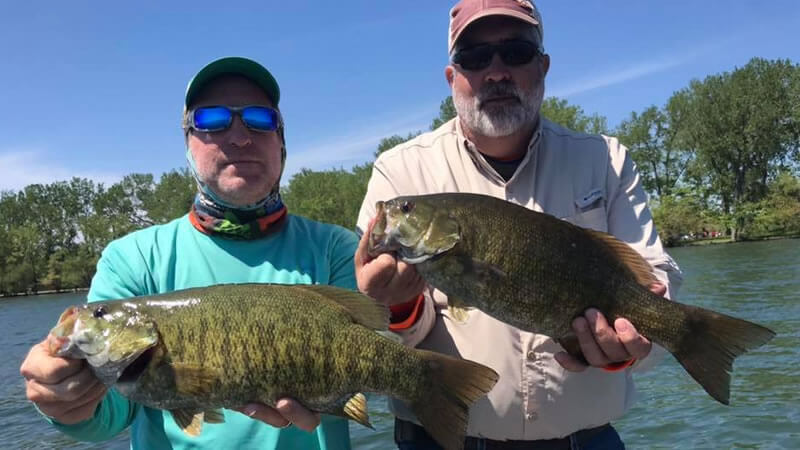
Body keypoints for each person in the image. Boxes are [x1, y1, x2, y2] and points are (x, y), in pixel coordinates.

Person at [354, 1, 683, 448]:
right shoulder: (399, 173)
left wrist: (630, 345)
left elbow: (653, 287)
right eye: (474, 58)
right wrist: (396, 306)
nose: (495, 72)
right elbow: (392, 340)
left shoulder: (605, 160)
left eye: (516, 52)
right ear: (453, 78)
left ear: (543, 66)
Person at [20, 57, 359, 450]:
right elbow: (110, 411)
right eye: (212, 120)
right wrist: (65, 399)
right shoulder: (133, 259)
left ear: (281, 142)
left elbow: (376, 357)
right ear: (187, 146)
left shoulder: (336, 248)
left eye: (259, 119)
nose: (239, 136)